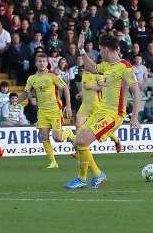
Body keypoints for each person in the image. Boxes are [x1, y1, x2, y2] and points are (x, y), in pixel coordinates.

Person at [65, 35, 141, 189]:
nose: (99, 52)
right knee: (78, 141)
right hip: (100, 111)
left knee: (82, 141)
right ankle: (97, 175)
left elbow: (136, 92)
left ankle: (83, 178)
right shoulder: (107, 66)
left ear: (106, 49)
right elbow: (92, 67)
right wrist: (81, 50)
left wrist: (134, 117)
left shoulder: (125, 66)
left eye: (100, 49)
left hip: (113, 115)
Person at [18, 53, 74, 168]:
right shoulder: (32, 79)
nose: (42, 63)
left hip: (55, 110)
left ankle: (68, 133)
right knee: (44, 136)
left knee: (57, 138)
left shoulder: (53, 75)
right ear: (36, 63)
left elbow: (65, 89)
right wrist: (15, 102)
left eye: (44, 61)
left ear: (47, 63)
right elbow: (25, 94)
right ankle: (53, 162)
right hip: (42, 111)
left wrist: (68, 106)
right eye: (39, 61)